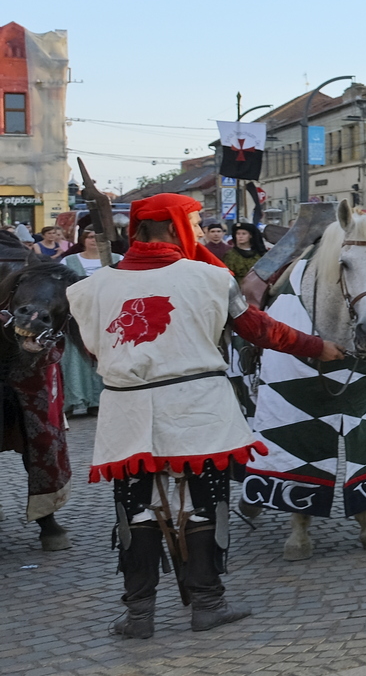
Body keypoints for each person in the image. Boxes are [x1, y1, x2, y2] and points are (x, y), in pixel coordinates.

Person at [69, 193, 343, 638]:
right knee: (204, 506)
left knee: (136, 512)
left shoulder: (91, 287)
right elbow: (259, 329)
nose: (199, 233)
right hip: (198, 405)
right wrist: (317, 346)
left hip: (128, 409)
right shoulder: (211, 278)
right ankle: (207, 605)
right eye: (195, 224)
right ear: (174, 226)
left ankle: (139, 615)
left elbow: (93, 350)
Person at [60, 228, 119, 418]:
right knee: (75, 359)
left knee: (104, 356)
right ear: (83, 240)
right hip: (77, 317)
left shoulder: (119, 259)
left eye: (98, 237)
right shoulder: (68, 262)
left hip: (110, 316)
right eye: (90, 237)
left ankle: (98, 401)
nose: (94, 240)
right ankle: (74, 400)